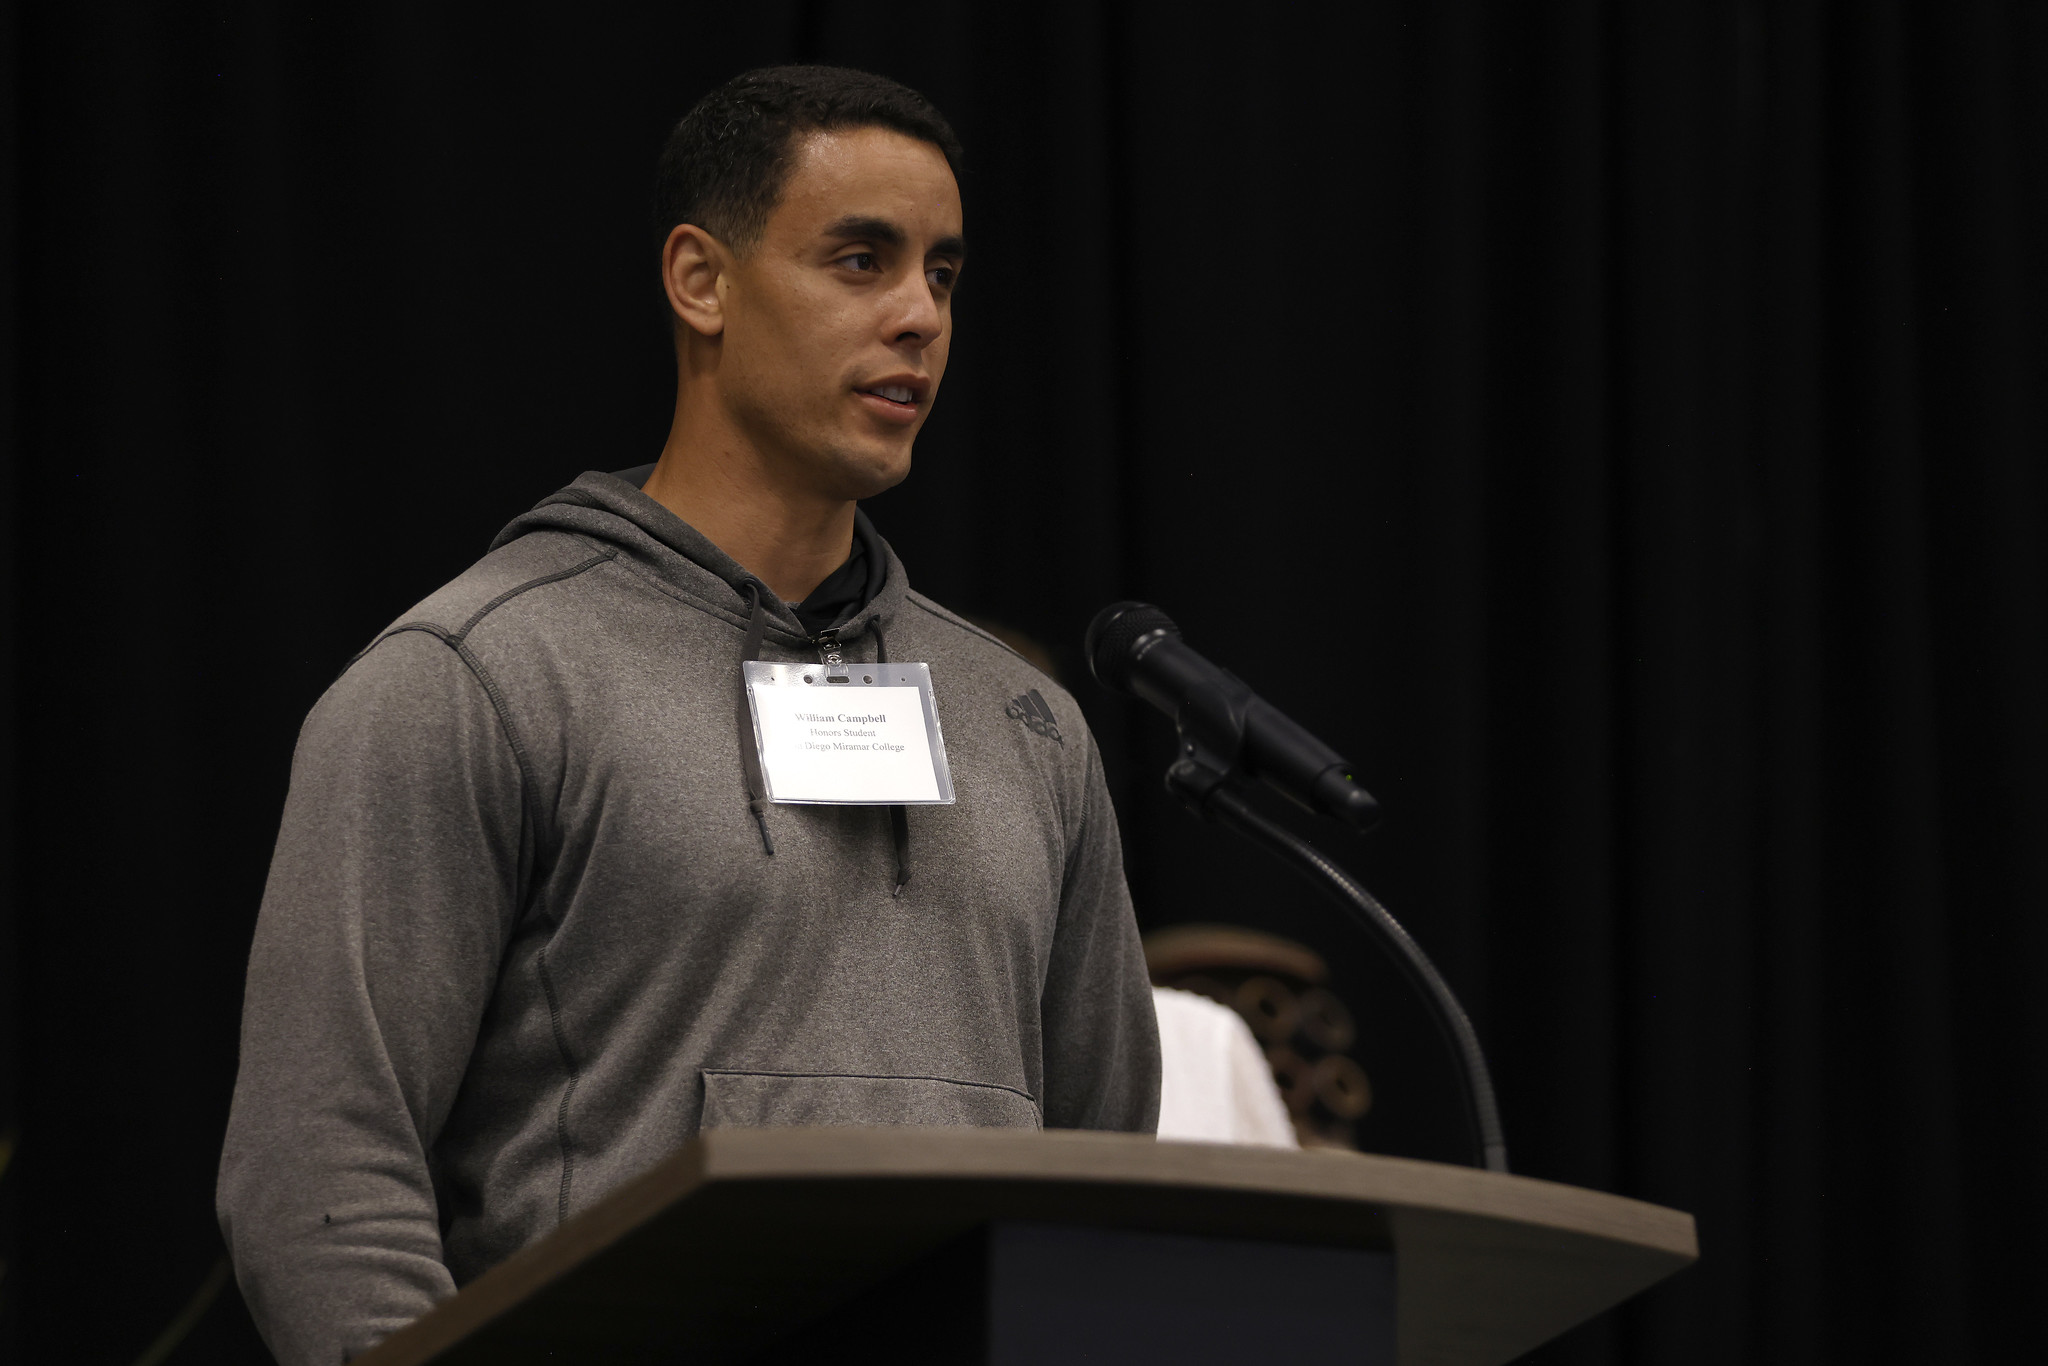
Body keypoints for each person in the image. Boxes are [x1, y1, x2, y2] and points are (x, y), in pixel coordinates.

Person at [217, 65, 1160, 1366]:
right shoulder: (471, 675)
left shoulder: (1026, 724)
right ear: (700, 281)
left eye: (941, 272)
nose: (917, 316)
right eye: (859, 259)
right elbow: (314, 1189)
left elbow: (1103, 1180)